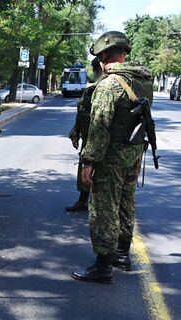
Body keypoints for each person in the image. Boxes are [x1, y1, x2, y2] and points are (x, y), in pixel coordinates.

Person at [72, 31, 154, 283]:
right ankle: (121, 255)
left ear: (104, 55)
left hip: (111, 155)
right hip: (134, 152)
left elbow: (99, 126)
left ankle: (103, 266)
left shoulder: (109, 84)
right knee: (126, 202)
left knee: (104, 208)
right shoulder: (143, 80)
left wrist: (88, 162)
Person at [66, 57, 103, 212]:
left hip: (98, 139)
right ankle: (83, 200)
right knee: (86, 169)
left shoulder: (105, 89)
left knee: (93, 171)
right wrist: (75, 131)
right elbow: (82, 113)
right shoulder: (91, 90)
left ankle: (98, 204)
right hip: (89, 136)